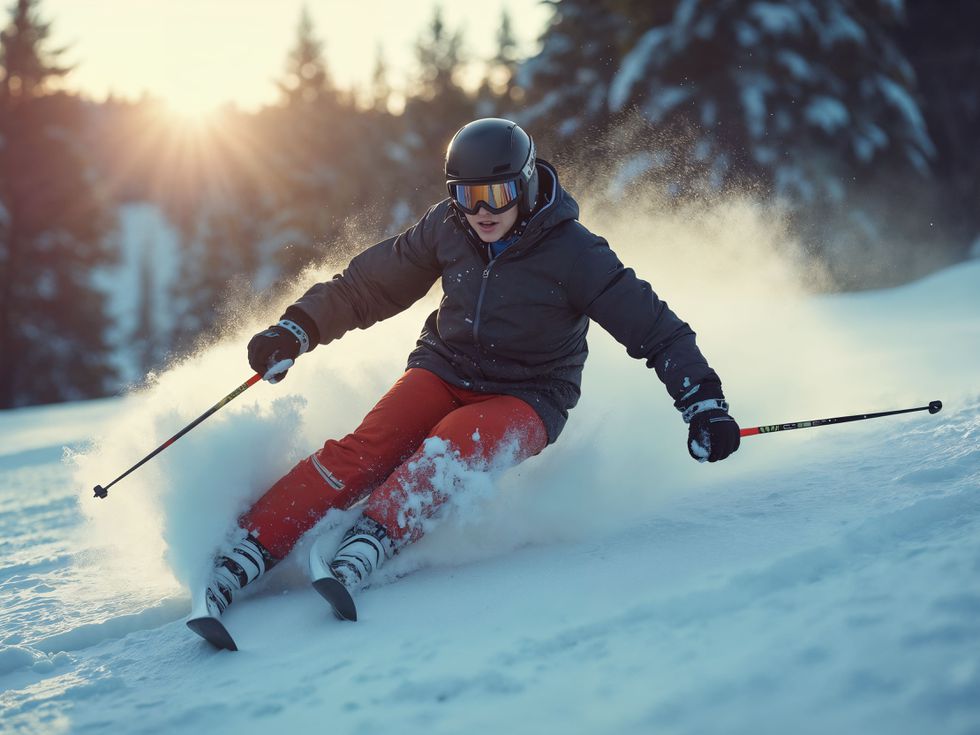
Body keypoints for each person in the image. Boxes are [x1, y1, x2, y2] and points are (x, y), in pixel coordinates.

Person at [196, 118, 740, 626]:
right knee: (367, 447)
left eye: (496, 194)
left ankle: (371, 540)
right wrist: (297, 329)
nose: (482, 210)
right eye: (466, 194)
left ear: (524, 186)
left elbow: (657, 330)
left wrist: (704, 405)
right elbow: (369, 286)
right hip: (444, 367)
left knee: (448, 447)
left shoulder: (576, 253)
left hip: (528, 395)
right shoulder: (446, 228)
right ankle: (249, 549)